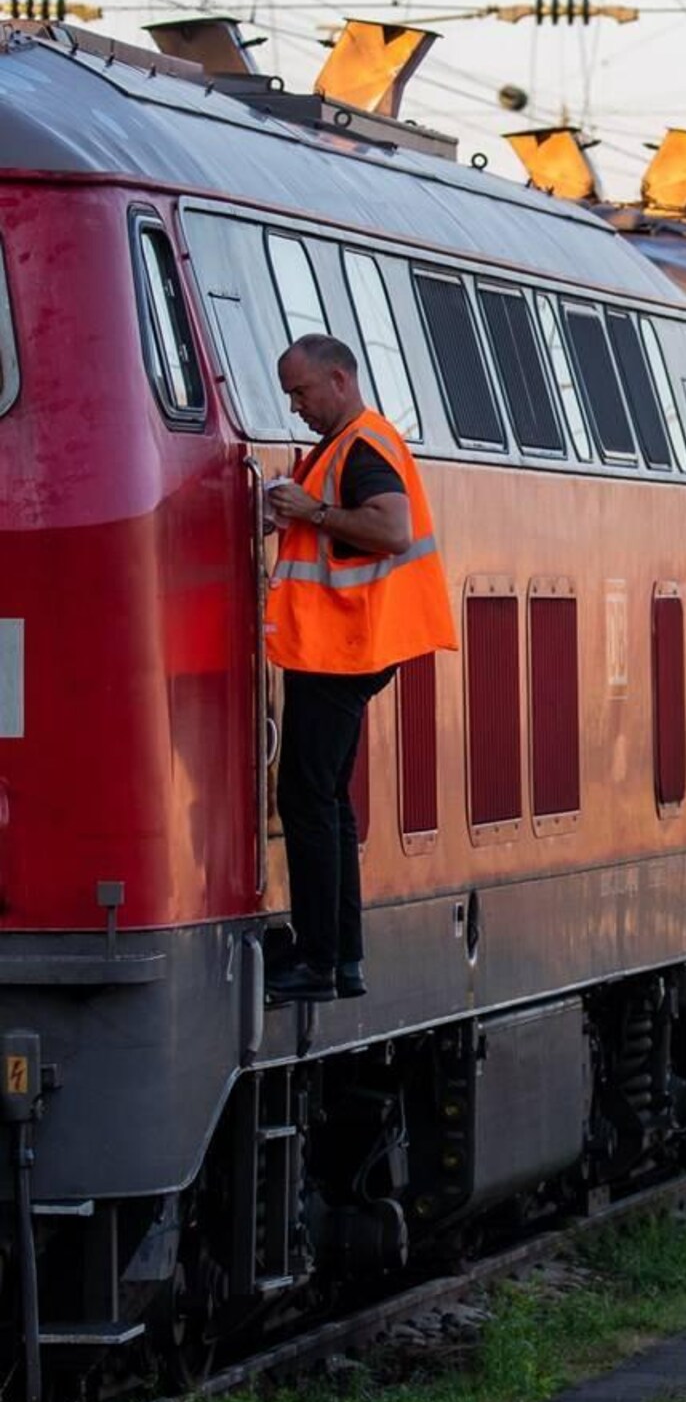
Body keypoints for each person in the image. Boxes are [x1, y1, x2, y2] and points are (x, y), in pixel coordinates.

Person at [264, 334, 455, 1004]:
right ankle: (340, 959)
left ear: (339, 381)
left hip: (342, 648)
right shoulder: (342, 446)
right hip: (341, 646)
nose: (296, 407)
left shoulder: (363, 446)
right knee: (328, 799)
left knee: (306, 798)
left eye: (301, 392)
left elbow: (392, 528)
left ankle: (318, 959)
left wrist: (311, 512)